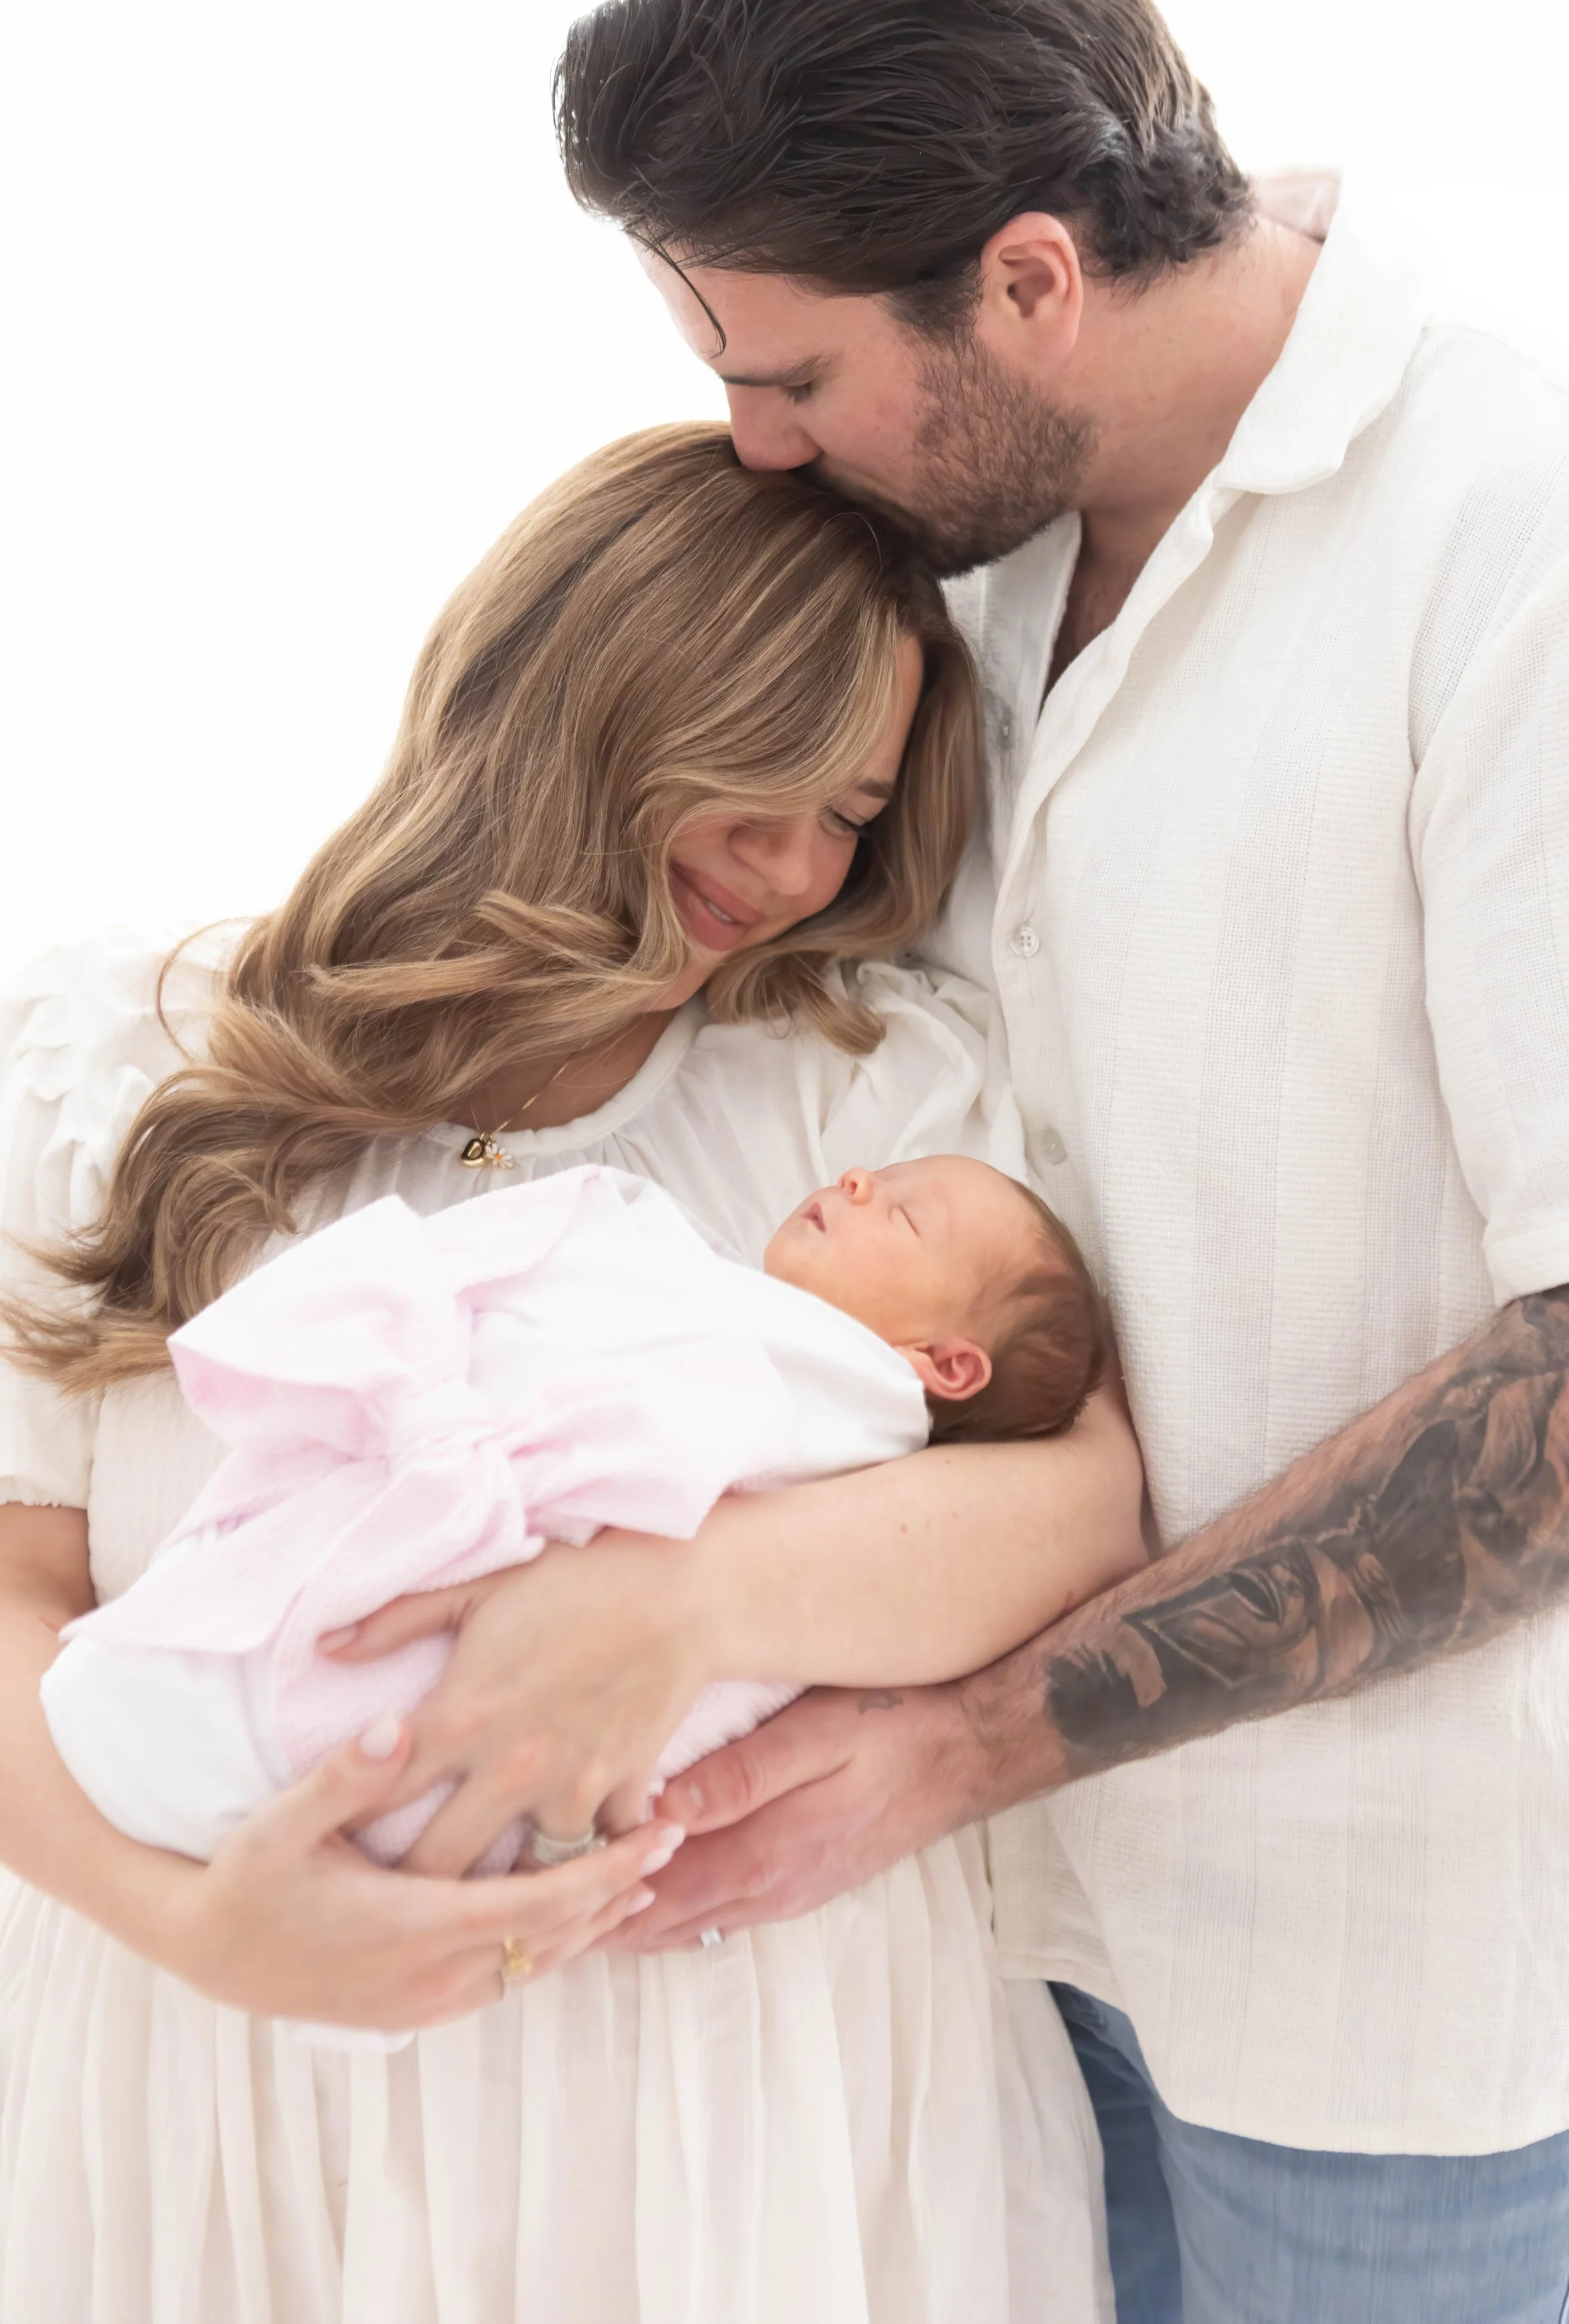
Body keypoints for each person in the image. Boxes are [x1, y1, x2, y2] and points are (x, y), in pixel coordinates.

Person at [369, 0, 1569, 2321]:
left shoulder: (1541, 550)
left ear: (1033, 281)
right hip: (963, 1946)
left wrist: (976, 1732)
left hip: (1375, 2012)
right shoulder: (941, 544)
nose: (753, 442)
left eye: (787, 373)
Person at [0, 422, 1136, 2321]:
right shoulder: (125, 1059)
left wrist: (679, 1602)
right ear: (570, 714)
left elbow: (1082, 1501)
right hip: (222, 2067)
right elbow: (13, 1591)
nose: (795, 871)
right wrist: (201, 1923)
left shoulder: (871, 1114)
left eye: (851, 813)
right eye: (753, 790)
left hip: (737, 2119)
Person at [42, 1154, 1114, 1896]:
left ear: (943, 1366)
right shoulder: (680, 1269)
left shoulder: (860, 1423)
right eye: (876, 1172)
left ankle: (275, 1767)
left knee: (378, 1682)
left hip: (507, 1632)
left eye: (906, 1212)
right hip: (417, 1525)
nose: (856, 1180)